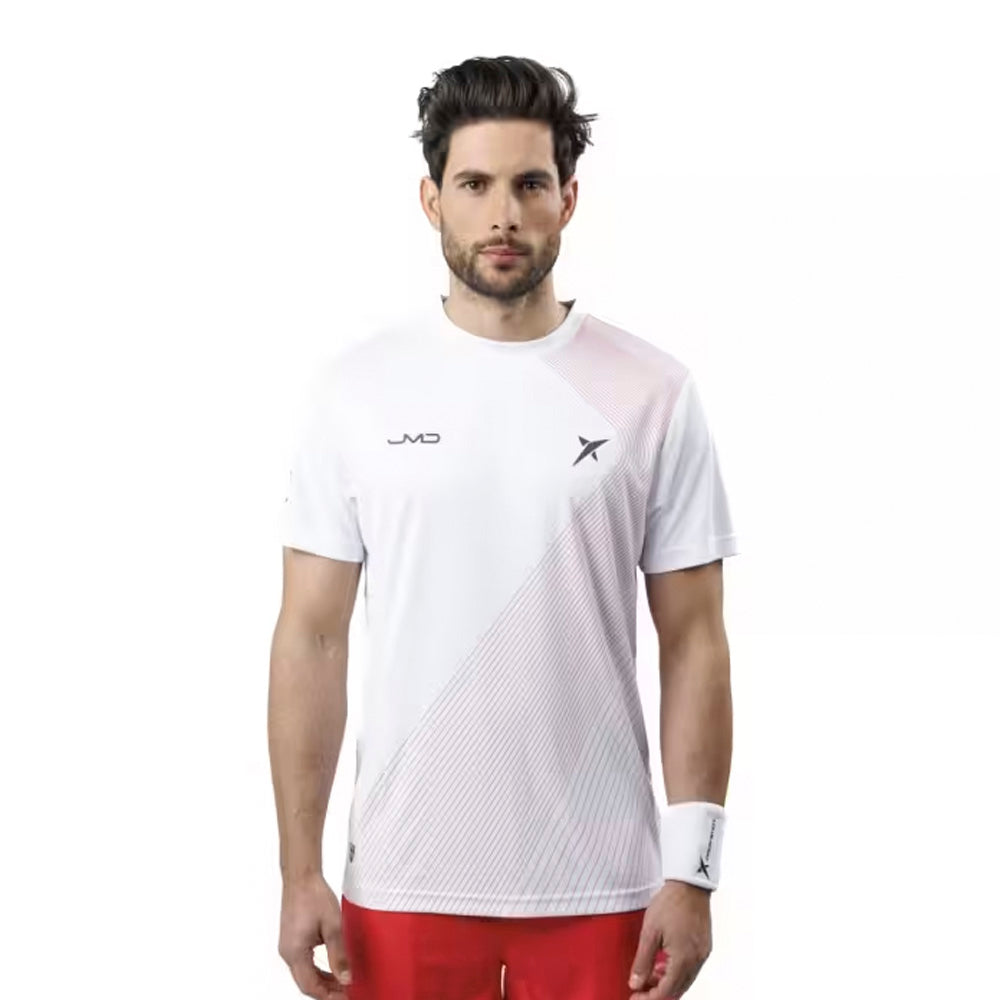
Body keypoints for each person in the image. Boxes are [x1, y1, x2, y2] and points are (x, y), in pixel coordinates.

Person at [269, 55, 740, 1000]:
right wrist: (297, 871)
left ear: (568, 199)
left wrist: (693, 873)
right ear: (431, 200)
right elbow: (311, 638)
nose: (503, 215)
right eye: (474, 184)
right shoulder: (355, 392)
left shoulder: (652, 391)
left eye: (529, 184)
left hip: (606, 889)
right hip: (401, 885)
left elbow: (695, 641)